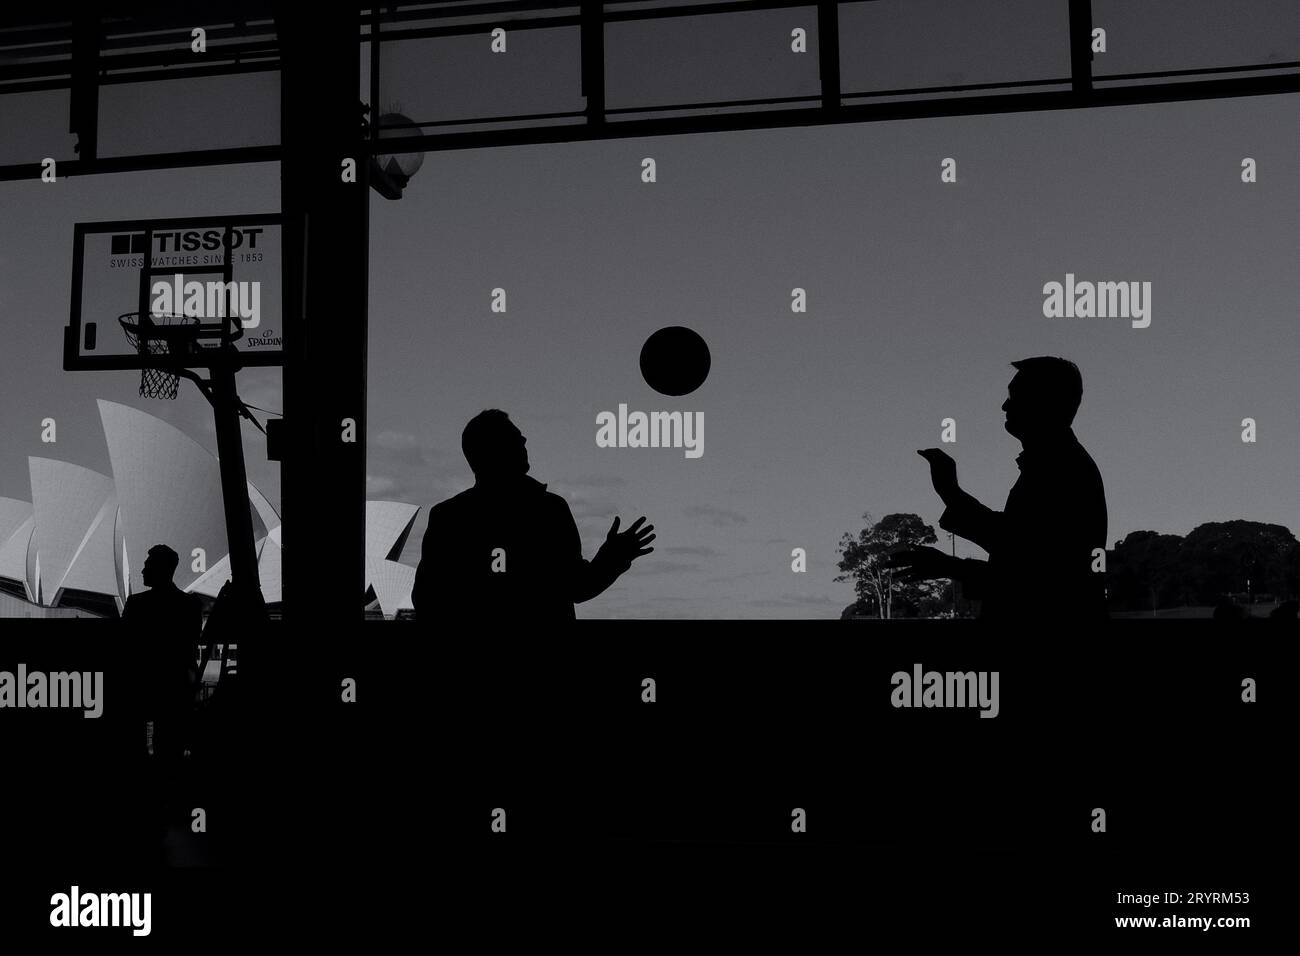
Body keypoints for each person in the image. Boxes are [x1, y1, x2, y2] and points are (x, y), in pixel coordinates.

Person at [887, 357, 1108, 620]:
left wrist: (949, 562)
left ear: (1043, 403)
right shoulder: (1060, 465)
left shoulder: (1063, 471)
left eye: (1015, 396)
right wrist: (951, 494)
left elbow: (1034, 574)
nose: (1004, 405)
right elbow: (1019, 547)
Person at [413, 410, 655, 620]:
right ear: (498, 450)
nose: (524, 439)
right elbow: (577, 587)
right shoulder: (550, 509)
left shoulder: (448, 517)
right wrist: (612, 558)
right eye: (516, 437)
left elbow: (428, 601)